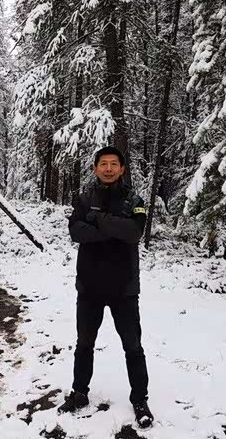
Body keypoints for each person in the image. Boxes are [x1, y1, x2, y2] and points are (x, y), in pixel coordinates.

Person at [57, 146, 154, 428]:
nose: (108, 168)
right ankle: (79, 393)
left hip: (124, 288)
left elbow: (134, 232)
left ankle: (140, 399)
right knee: (84, 344)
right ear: (95, 168)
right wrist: (114, 230)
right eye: (103, 164)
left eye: (114, 164)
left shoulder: (133, 199)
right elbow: (76, 231)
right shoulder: (84, 198)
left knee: (133, 346)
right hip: (90, 287)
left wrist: (97, 220)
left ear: (122, 169)